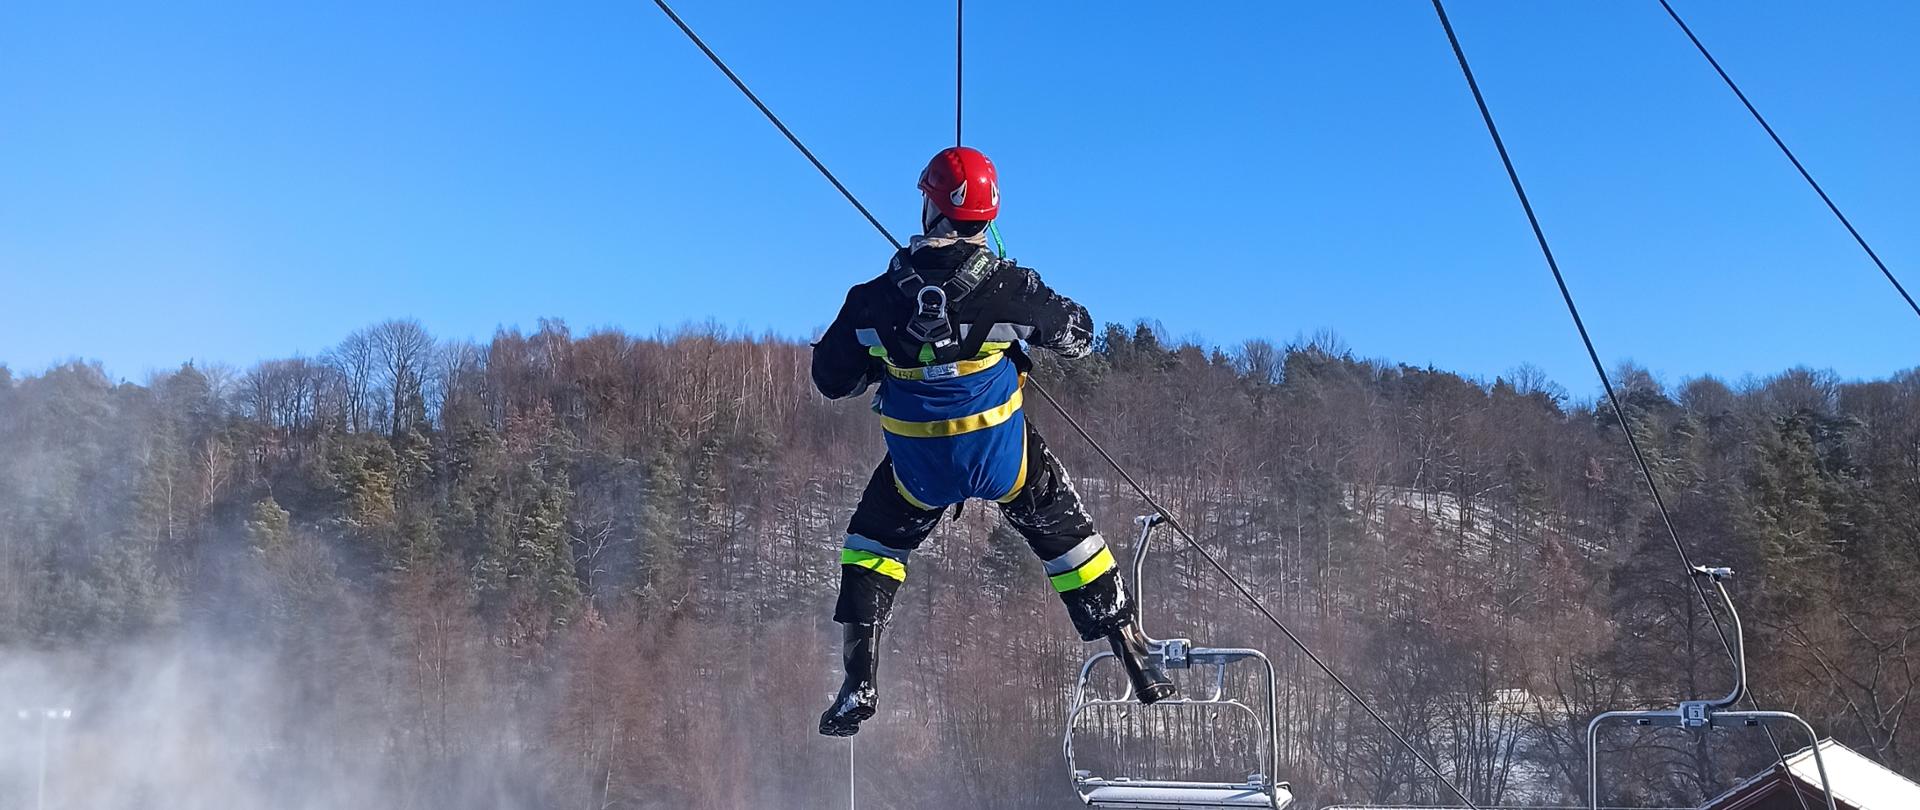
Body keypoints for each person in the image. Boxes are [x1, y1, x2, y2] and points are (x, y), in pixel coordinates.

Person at [810, 146, 1176, 738]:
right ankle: (1132, 651)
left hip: (918, 467)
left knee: (872, 543)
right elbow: (1081, 333)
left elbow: (831, 380)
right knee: (1067, 534)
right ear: (990, 214)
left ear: (929, 205)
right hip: (1002, 455)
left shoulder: (871, 300)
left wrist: (885, 362)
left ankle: (859, 678)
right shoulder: (1009, 287)